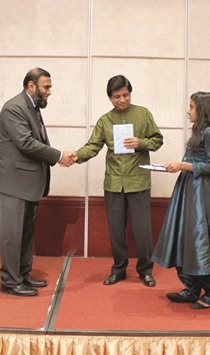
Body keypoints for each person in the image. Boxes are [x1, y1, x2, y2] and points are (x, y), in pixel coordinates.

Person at [0, 67, 76, 297]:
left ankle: (22, 274)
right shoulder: (14, 108)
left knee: (24, 234)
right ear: (31, 86)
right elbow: (26, 143)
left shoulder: (31, 107)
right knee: (11, 234)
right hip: (11, 184)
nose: (49, 92)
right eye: (46, 87)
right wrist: (58, 156)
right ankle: (9, 281)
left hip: (25, 184)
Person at [75, 75, 163, 287]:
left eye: (125, 95)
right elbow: (93, 146)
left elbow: (158, 140)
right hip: (114, 182)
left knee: (142, 230)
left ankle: (145, 270)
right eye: (117, 97)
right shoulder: (105, 121)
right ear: (110, 98)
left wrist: (141, 143)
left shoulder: (143, 114)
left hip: (138, 181)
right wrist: (76, 156)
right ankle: (119, 269)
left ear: (130, 94)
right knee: (116, 230)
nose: (122, 100)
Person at [152, 91, 210, 309]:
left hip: (201, 193)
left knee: (199, 239)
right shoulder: (199, 132)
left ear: (202, 110)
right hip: (189, 189)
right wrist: (178, 166)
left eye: (192, 107)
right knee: (184, 237)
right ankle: (192, 288)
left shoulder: (209, 133)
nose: (188, 110)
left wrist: (183, 165)